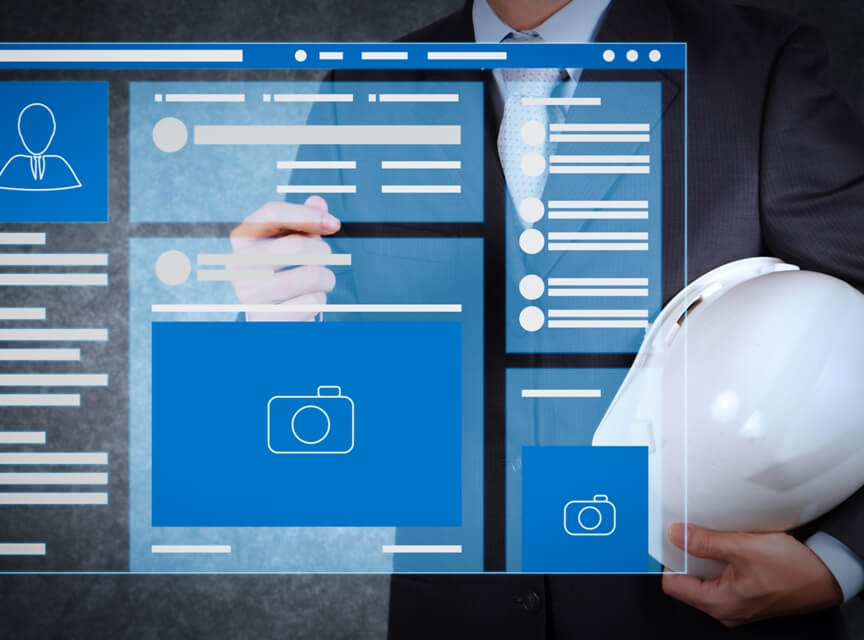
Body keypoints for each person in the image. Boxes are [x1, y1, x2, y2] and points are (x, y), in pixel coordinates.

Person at [230, 0, 864, 636]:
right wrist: (273, 335)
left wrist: (838, 560)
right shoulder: (362, 91)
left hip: (697, 616)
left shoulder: (758, 65)